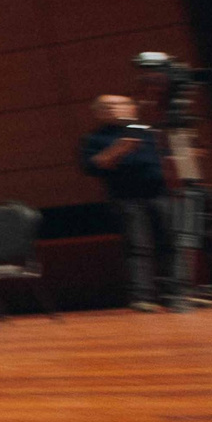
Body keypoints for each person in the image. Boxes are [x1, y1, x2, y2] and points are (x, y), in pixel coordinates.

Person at [81, 94, 179, 310]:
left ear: (132, 108)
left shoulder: (151, 133)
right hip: (126, 199)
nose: (115, 108)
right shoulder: (95, 139)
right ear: (99, 113)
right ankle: (142, 297)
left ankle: (176, 294)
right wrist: (119, 149)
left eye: (120, 103)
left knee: (171, 243)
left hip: (159, 194)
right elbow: (92, 167)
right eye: (107, 106)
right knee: (138, 247)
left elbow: (169, 159)